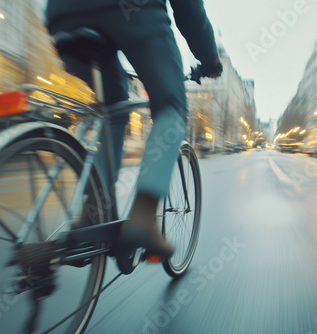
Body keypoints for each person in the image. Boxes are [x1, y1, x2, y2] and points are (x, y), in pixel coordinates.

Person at [45, 0, 223, 258]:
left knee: (114, 108)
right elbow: (189, 8)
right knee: (171, 109)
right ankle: (141, 218)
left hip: (64, 15)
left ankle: (92, 211)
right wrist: (209, 57)